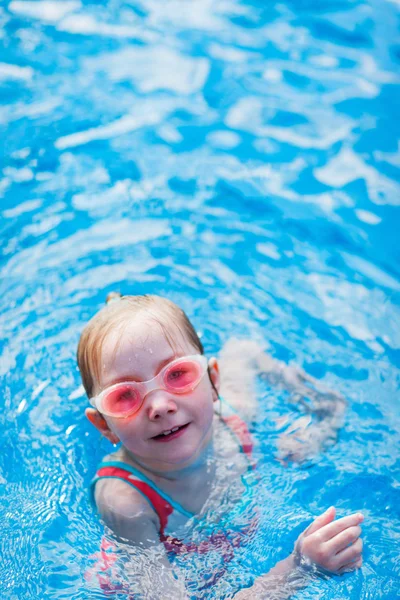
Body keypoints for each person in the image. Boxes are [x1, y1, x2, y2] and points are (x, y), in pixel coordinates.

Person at [78, 293, 364, 599]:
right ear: (105, 425)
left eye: (177, 374)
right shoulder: (126, 502)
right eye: (125, 395)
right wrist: (298, 569)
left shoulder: (233, 418)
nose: (160, 406)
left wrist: (316, 433)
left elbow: (246, 353)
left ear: (213, 381)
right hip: (147, 559)